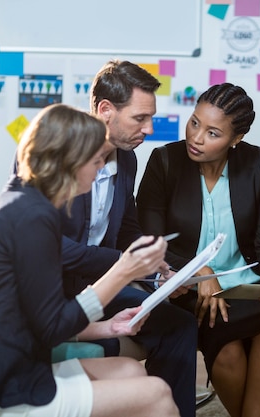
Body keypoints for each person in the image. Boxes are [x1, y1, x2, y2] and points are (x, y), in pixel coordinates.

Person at [0, 104, 179, 417]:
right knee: (157, 393)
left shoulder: (21, 204)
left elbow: (39, 317)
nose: (101, 168)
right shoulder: (33, 218)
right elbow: (50, 326)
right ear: (71, 161)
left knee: (130, 370)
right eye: (97, 159)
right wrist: (123, 270)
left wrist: (106, 327)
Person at [136, 83, 260, 417]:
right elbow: (149, 240)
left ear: (236, 139)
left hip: (246, 285)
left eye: (212, 133)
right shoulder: (164, 162)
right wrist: (199, 272)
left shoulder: (258, 163)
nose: (195, 137)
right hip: (190, 288)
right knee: (229, 353)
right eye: (194, 123)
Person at [59, 60, 197, 417]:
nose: (149, 129)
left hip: (102, 285)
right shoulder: (52, 154)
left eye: (151, 117)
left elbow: (126, 229)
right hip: (55, 292)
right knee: (108, 341)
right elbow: (51, 247)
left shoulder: (128, 159)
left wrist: (157, 269)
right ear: (106, 110)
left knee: (177, 324)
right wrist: (124, 266)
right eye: (140, 118)